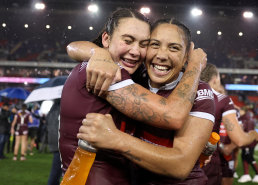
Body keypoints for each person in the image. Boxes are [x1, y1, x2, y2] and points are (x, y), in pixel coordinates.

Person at [60, 8, 207, 185]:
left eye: (144, 44)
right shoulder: (105, 71)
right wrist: (195, 64)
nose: (135, 51)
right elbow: (172, 115)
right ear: (106, 39)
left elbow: (73, 46)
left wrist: (95, 52)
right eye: (128, 41)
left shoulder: (126, 73)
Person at [199, 63, 258, 185]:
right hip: (209, 160)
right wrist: (253, 135)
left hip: (183, 158)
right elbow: (240, 140)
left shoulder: (184, 96)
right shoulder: (222, 100)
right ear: (216, 79)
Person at [237, 107, 258, 183]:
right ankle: (246, 175)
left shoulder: (248, 119)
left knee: (249, 157)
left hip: (249, 143)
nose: (239, 112)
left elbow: (249, 134)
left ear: (244, 111)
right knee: (244, 157)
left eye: (241, 110)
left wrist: (246, 144)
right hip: (245, 142)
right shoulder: (243, 119)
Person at [46, 99, 62, 185]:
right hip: (59, 141)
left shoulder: (52, 110)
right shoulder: (61, 108)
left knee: (57, 170)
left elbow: (47, 122)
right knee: (56, 172)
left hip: (53, 141)